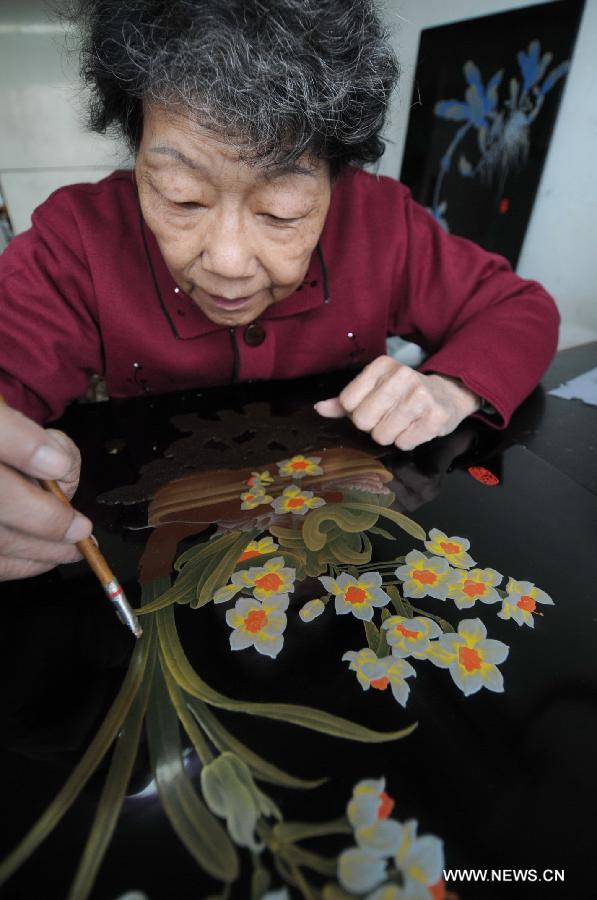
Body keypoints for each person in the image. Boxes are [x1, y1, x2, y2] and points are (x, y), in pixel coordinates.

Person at [0, 0, 559, 581]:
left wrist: (450, 389)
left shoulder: (381, 222)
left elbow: (519, 308)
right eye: (182, 198)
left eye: (282, 212)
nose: (229, 262)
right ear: (137, 150)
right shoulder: (77, 241)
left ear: (337, 177)